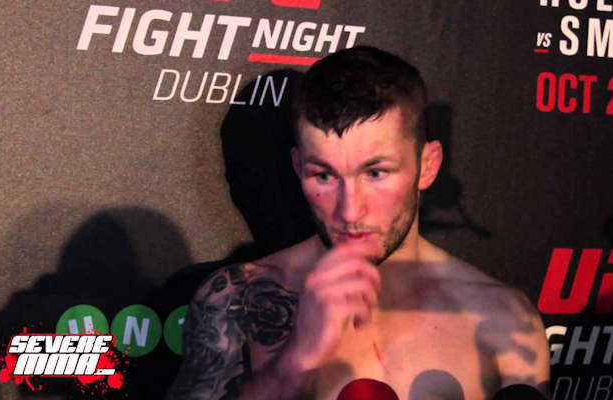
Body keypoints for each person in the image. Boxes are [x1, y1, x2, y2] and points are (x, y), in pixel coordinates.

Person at [166, 46, 550, 400]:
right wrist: (295, 363)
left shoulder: (503, 316)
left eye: (376, 173)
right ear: (298, 167)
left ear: (427, 165)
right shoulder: (237, 298)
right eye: (324, 176)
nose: (349, 212)